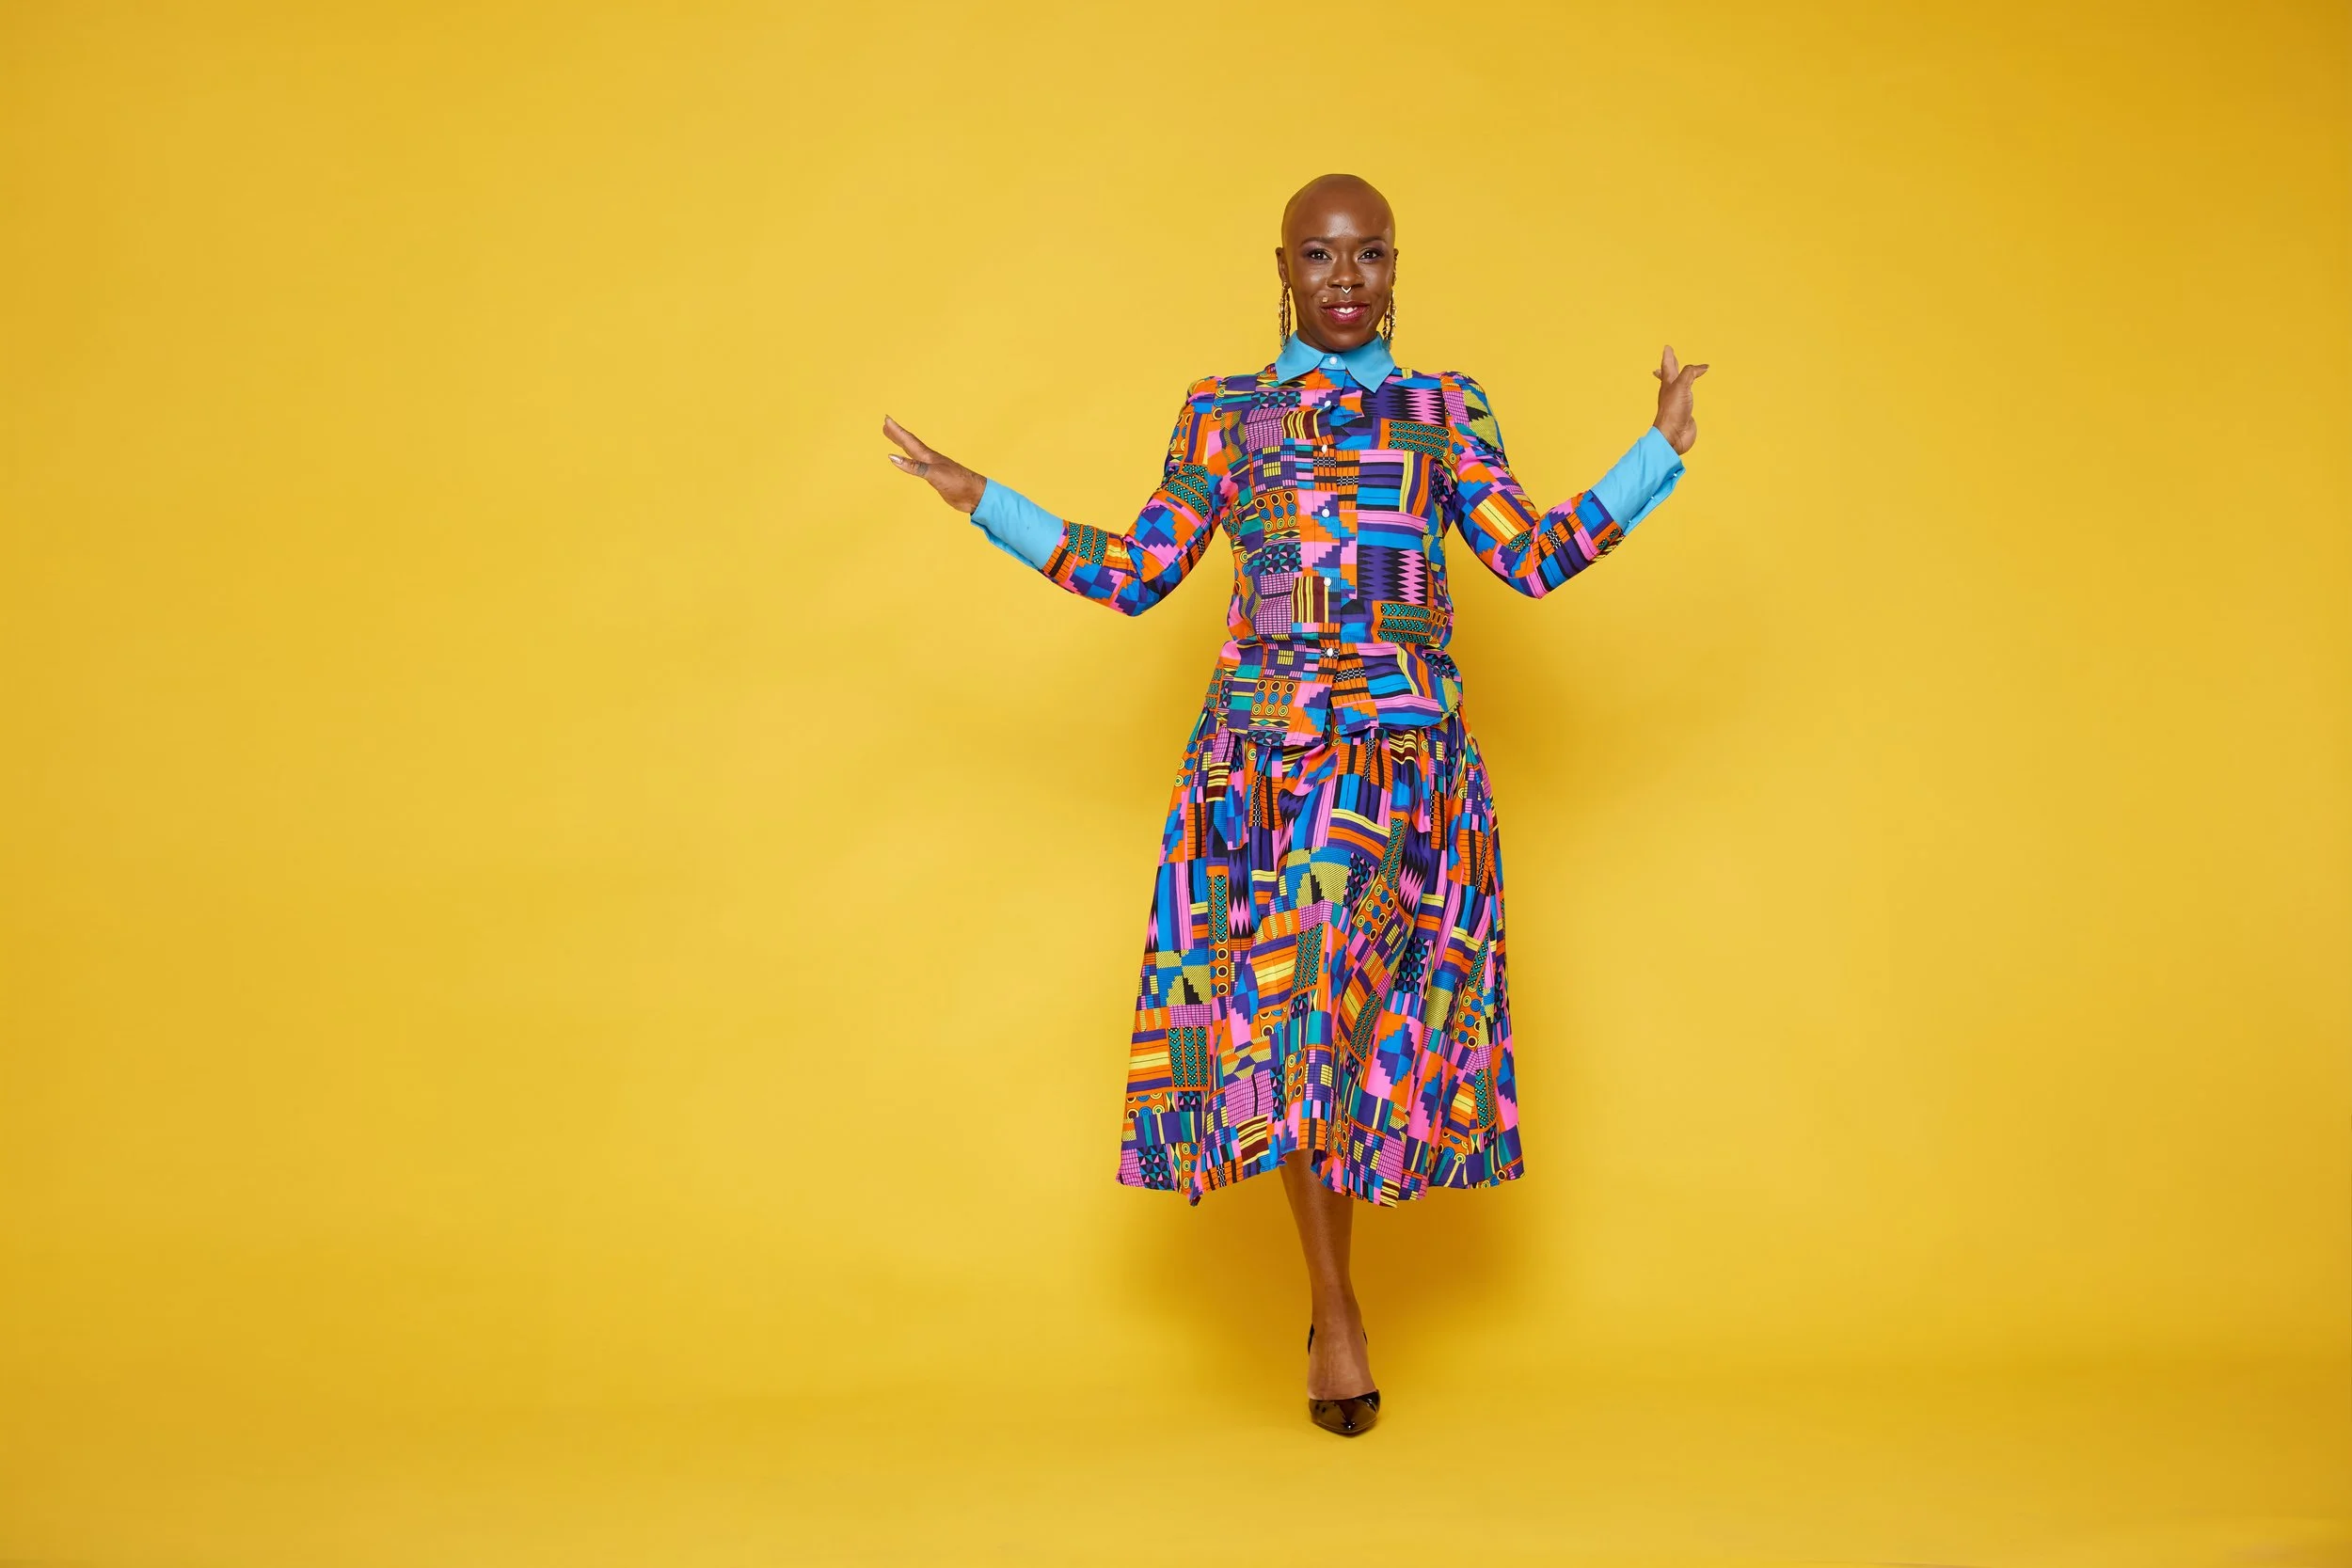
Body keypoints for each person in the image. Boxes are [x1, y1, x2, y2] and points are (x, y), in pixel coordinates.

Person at [883, 173, 1706, 1437]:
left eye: (1368, 256)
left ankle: (1333, 1307)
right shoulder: (1226, 416)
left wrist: (1660, 448)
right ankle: (1337, 1309)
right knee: (1295, 1033)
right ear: (1280, 266)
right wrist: (981, 497)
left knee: (1360, 1039)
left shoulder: (1445, 412)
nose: (1343, 278)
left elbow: (1533, 559)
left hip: (1409, 775)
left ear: (1393, 270)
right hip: (1267, 774)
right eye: (1318, 256)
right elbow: (1137, 571)